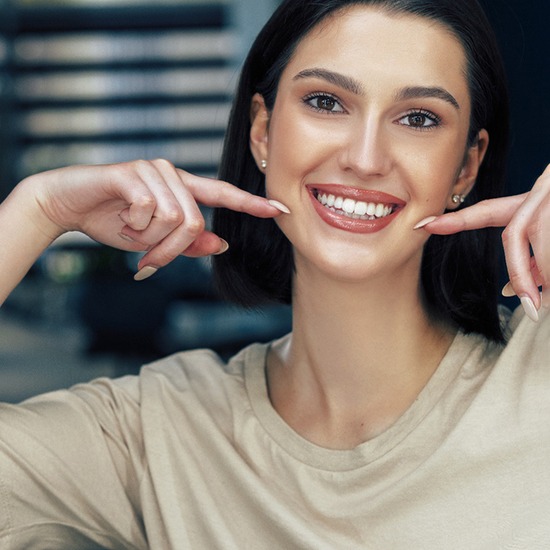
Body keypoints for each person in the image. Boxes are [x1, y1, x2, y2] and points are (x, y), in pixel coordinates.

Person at [0, 0, 549, 547]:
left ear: (467, 165)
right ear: (263, 133)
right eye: (326, 102)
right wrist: (38, 210)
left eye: (419, 118)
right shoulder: (158, 432)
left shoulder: (537, 370)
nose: (365, 157)